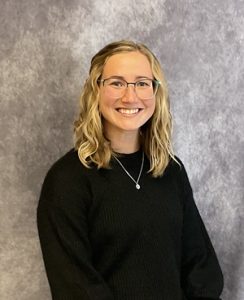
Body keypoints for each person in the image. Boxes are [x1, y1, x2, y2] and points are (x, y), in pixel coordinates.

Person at [37, 40, 224, 300]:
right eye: (116, 82)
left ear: (155, 92)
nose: (130, 96)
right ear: (96, 90)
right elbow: (75, 287)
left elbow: (201, 268)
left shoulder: (171, 170)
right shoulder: (67, 180)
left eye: (142, 83)